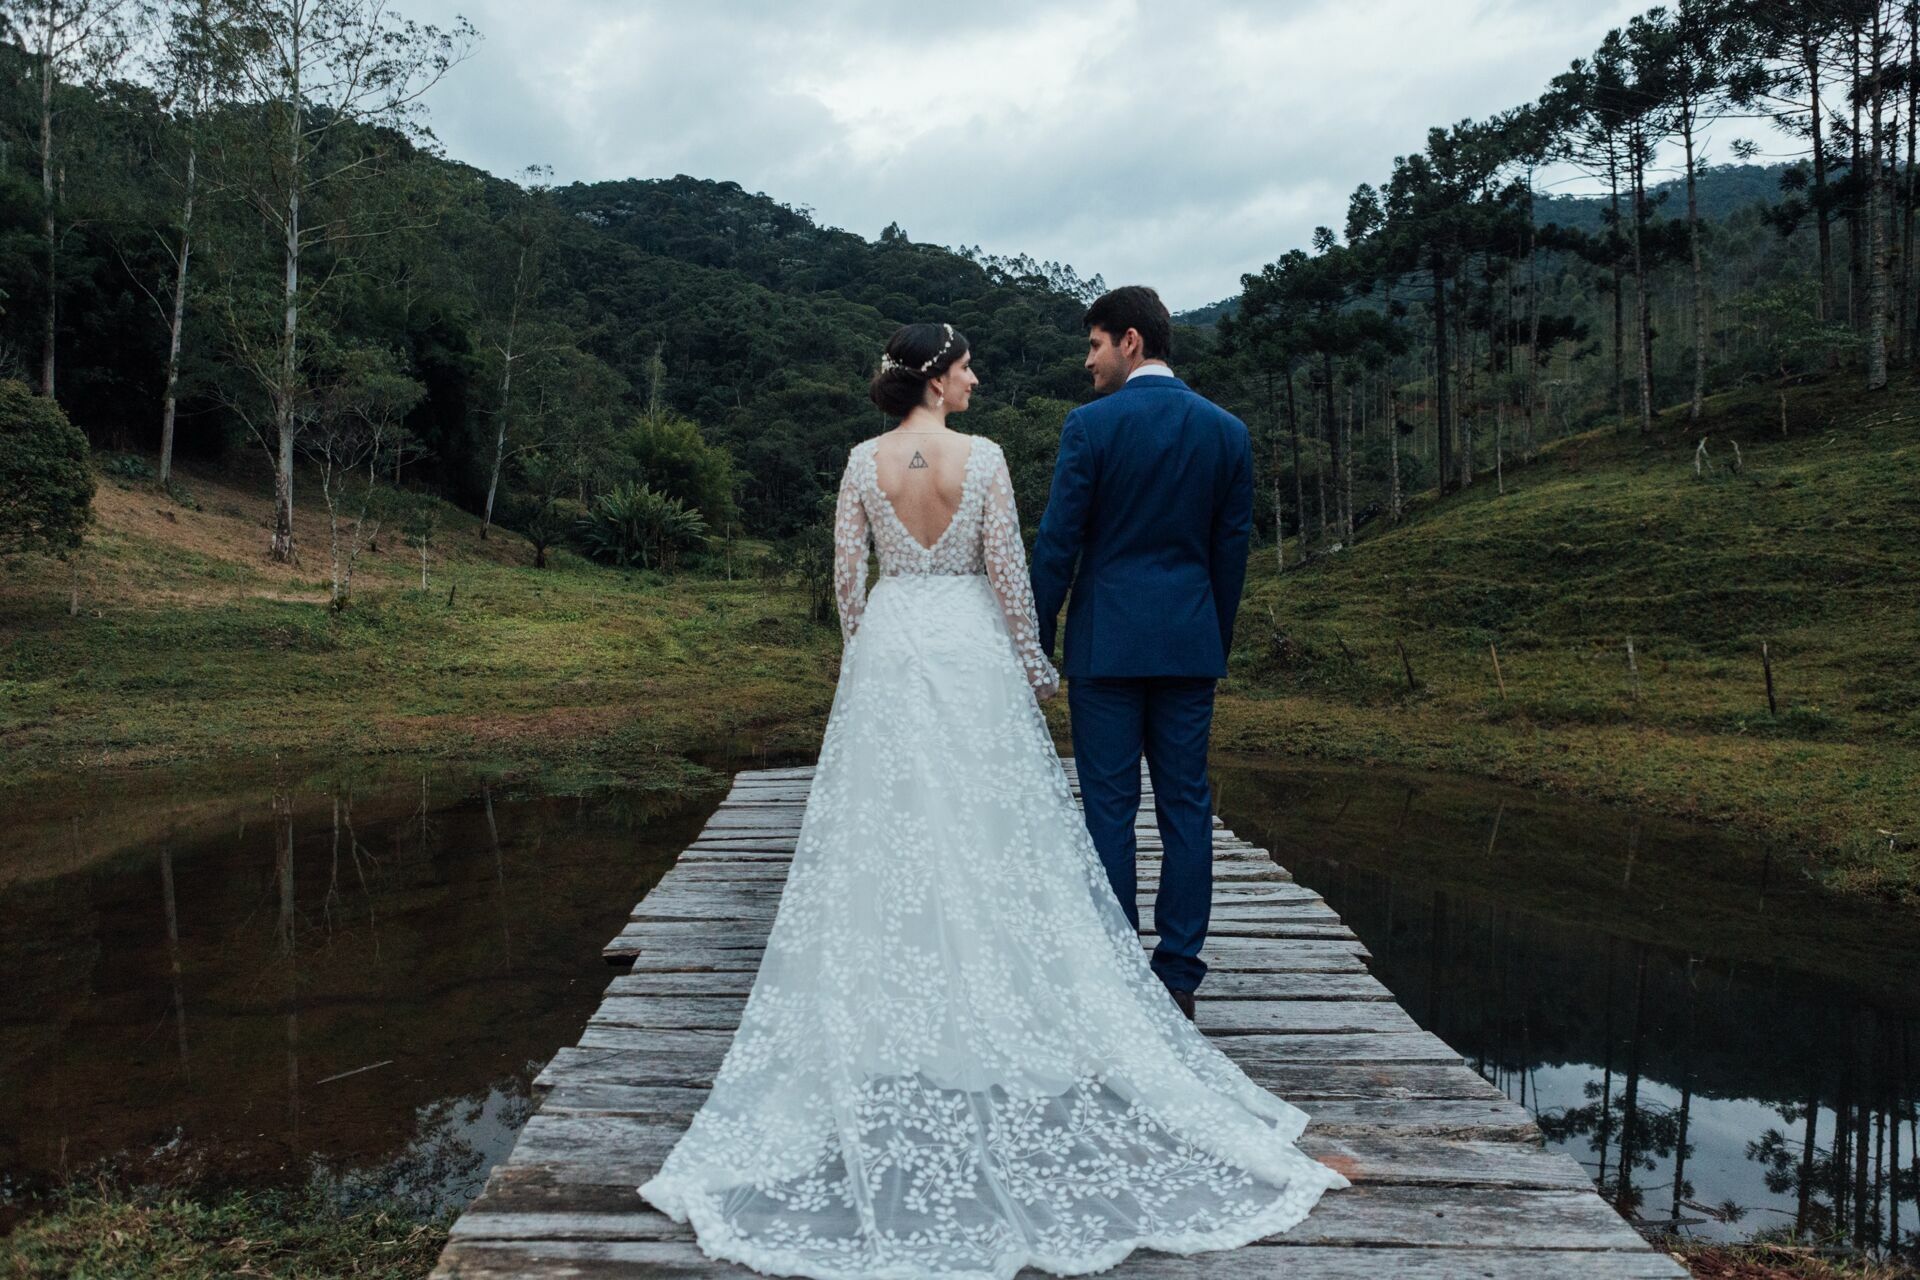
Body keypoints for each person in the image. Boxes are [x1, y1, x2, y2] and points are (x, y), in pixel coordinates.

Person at [638, 320, 1346, 1280]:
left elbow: (849, 582)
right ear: (934, 377)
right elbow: (1012, 575)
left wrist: (870, 649)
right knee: (994, 827)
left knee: (884, 832)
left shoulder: (860, 462)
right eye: (965, 365)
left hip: (894, 643)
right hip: (969, 644)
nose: (975, 377)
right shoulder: (987, 459)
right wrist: (1030, 659)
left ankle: (897, 1003)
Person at [1029, 284, 1253, 1023]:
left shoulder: (1091, 428)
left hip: (1107, 648)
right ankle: (1179, 976)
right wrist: (1208, 643)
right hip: (1190, 644)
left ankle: (1116, 970)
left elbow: (1059, 545)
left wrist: (1037, 642)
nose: (1087, 360)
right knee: (1188, 804)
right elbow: (1230, 554)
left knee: (1110, 809)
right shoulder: (1227, 432)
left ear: (1131, 341)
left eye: (1094, 344)